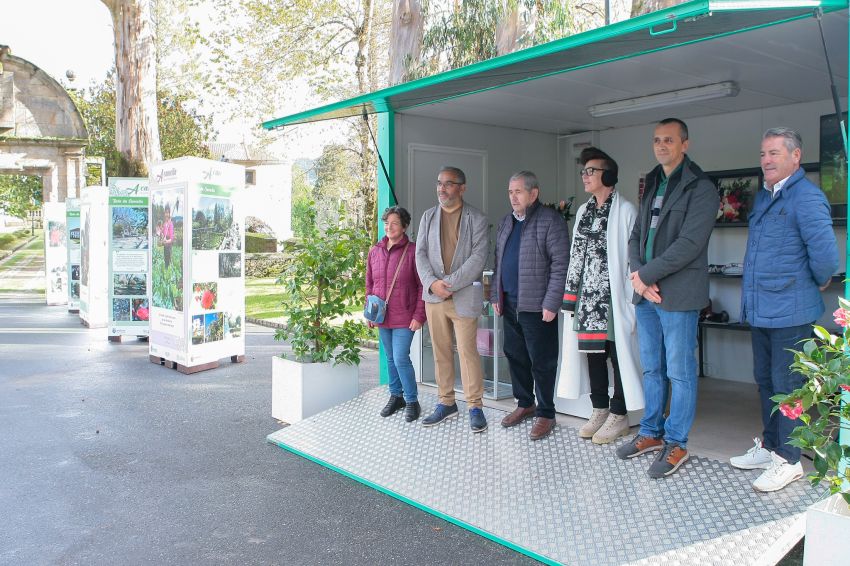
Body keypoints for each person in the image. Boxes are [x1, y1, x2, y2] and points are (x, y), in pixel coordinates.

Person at [731, 127, 838, 492]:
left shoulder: (806, 198)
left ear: (796, 156)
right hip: (761, 309)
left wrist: (818, 279)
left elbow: (826, 257)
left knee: (789, 387)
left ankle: (789, 461)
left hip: (791, 311)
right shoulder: (765, 197)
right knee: (766, 383)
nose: (766, 161)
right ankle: (772, 447)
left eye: (774, 153)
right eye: (763, 154)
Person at [616, 118, 718, 479]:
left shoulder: (701, 188)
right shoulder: (652, 184)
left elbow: (689, 245)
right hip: (647, 295)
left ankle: (677, 443)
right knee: (653, 368)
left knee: (681, 372)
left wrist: (645, 275)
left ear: (685, 145)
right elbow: (636, 237)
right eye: (657, 139)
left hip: (678, 295)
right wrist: (639, 277)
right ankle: (650, 433)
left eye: (669, 140)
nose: (661, 146)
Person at [559, 148, 643, 444]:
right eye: (584, 171)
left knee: (618, 356)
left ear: (607, 175)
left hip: (613, 298)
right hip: (587, 300)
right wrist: (570, 297)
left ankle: (619, 414)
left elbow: (632, 259)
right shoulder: (583, 211)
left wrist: (632, 299)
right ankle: (599, 408)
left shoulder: (626, 211)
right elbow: (575, 256)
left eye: (590, 171)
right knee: (593, 356)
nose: (584, 176)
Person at [489, 171, 569, 440]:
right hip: (510, 302)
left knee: (542, 361)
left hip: (537, 306)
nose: (513, 197)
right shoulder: (506, 222)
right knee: (515, 355)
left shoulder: (550, 221)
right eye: (510, 192)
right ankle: (525, 404)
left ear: (533, 194)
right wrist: (495, 297)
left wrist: (551, 302)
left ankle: (546, 413)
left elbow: (561, 265)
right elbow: (498, 262)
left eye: (519, 191)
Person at [415, 166, 489, 433]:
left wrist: (451, 284)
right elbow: (420, 254)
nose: (441, 189)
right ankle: (446, 402)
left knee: (468, 353)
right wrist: (433, 283)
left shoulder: (477, 218)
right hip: (434, 297)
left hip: (464, 296)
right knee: (440, 352)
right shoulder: (427, 217)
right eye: (439, 183)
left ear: (462, 188)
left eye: (448, 184)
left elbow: (478, 258)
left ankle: (474, 406)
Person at [366, 206, 427, 422]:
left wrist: (419, 315)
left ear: (404, 226)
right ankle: (396, 396)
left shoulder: (413, 251)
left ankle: (412, 400)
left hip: (405, 316)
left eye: (394, 223)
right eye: (386, 223)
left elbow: (422, 286)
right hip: (382, 317)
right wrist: (369, 314)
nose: (389, 227)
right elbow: (370, 284)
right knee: (391, 358)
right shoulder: (375, 251)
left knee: (401, 358)